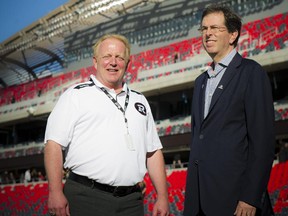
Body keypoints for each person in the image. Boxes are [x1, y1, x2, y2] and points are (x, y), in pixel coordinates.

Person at [44, 34, 169, 216]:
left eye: (119, 57)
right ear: (95, 62)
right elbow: (53, 144)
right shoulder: (75, 96)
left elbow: (153, 151)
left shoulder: (140, 100)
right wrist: (54, 191)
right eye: (107, 57)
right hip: (86, 197)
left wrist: (163, 196)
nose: (113, 62)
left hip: (131, 201)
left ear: (128, 62)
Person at [184, 4, 275, 216]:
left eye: (215, 28)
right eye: (204, 29)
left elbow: (262, 142)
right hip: (199, 200)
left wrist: (250, 197)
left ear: (233, 34)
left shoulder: (251, 73)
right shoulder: (201, 82)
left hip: (235, 200)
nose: (208, 34)